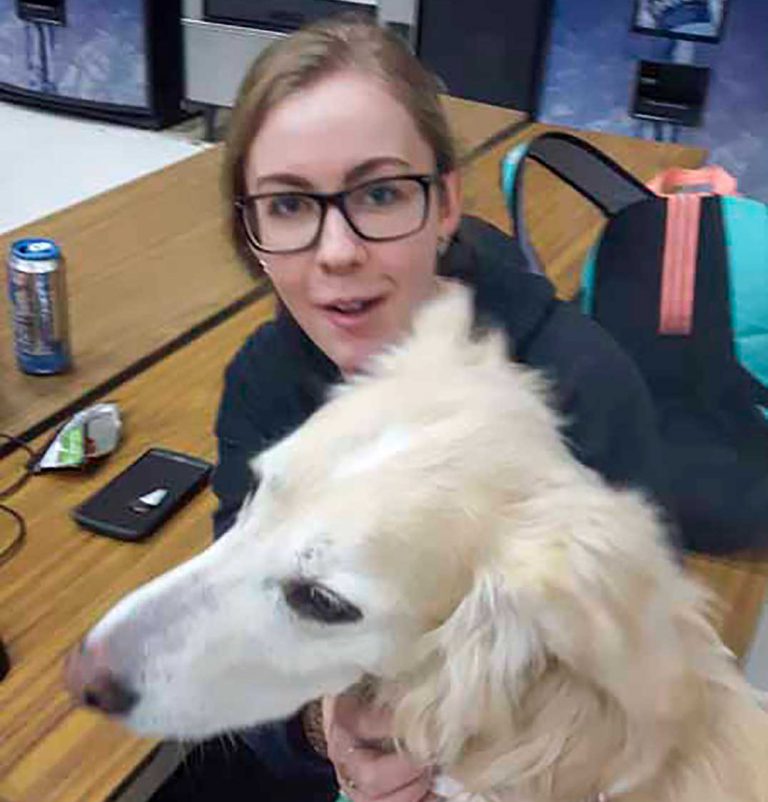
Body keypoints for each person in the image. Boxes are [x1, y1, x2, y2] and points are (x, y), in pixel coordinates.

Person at [160, 13, 673, 802]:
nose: (337, 250)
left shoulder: (582, 390)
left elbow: (639, 679)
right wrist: (322, 724)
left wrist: (471, 751)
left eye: (382, 192)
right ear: (253, 236)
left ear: (444, 207)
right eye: (289, 206)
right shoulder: (264, 386)